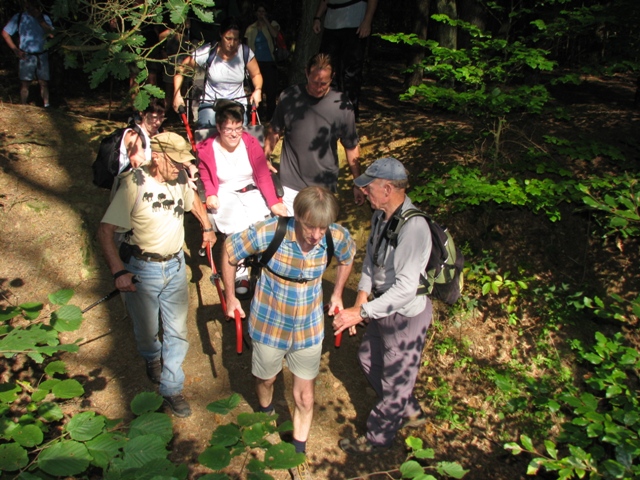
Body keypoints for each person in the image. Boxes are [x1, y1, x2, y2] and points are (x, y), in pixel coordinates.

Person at [224, 186, 356, 479]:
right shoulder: (269, 232)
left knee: (305, 396)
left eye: (322, 228)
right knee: (266, 378)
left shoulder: (335, 236)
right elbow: (229, 251)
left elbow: (348, 257)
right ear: (296, 216)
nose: (316, 235)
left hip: (308, 328)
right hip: (269, 323)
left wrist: (336, 294)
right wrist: (232, 297)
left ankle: (297, 451)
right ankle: (266, 410)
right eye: (310, 226)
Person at [97, 132, 216, 418]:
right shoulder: (132, 184)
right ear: (158, 156)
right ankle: (152, 357)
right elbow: (104, 232)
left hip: (175, 267)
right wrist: (119, 272)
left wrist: (207, 226)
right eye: (175, 162)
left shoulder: (179, 179)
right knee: (148, 331)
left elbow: (193, 201)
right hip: (142, 270)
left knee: (177, 331)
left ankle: (172, 387)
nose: (181, 168)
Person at [332, 157, 433, 454]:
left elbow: (404, 289)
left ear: (387, 189)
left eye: (369, 186)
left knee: (395, 378)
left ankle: (377, 437)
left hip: (405, 316)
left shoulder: (414, 229)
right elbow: (372, 261)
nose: (363, 191)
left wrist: (360, 312)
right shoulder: (381, 217)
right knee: (367, 357)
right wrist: (362, 296)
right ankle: (408, 410)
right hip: (382, 307)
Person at [196, 99, 287, 295]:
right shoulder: (207, 148)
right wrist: (210, 193)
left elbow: (263, 175)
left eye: (238, 128)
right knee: (236, 227)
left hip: (250, 190)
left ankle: (266, 266)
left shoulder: (250, 143)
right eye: (229, 129)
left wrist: (273, 202)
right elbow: (205, 174)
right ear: (219, 127)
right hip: (225, 192)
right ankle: (240, 270)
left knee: (262, 225)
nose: (235, 134)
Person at [264, 53, 365, 215]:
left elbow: (351, 145)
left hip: (324, 185)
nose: (318, 87)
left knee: (318, 235)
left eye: (323, 83)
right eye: (314, 82)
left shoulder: (341, 105)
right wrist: (265, 158)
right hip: (290, 184)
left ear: (332, 78)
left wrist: (357, 182)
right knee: (290, 234)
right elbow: (274, 131)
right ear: (306, 73)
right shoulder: (289, 97)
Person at [173, 16, 263, 128]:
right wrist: (177, 94)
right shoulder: (208, 51)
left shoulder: (245, 52)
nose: (232, 43)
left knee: (236, 134)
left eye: (235, 39)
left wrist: (258, 90)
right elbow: (181, 70)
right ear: (221, 35)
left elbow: (256, 75)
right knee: (206, 135)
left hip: (237, 105)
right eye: (228, 38)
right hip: (211, 104)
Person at [312, 0, 378, 121]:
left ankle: (350, 113)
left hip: (354, 24)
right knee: (329, 69)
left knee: (351, 71)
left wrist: (367, 21)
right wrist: (317, 17)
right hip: (331, 24)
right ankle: (331, 110)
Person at [2, 0, 54, 107]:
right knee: (25, 83)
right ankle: (23, 105)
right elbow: (5, 33)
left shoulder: (44, 17)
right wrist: (15, 50)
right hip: (26, 55)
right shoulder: (19, 17)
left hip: (42, 54)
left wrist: (40, 20)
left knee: (43, 82)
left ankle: (47, 105)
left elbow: (52, 35)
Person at [244, 3, 280, 120]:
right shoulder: (251, 29)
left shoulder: (272, 25)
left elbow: (275, 34)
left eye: (263, 12)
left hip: (269, 62)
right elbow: (247, 46)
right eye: (259, 12)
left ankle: (271, 118)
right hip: (256, 64)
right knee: (257, 90)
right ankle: (257, 116)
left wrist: (265, 21)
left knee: (270, 92)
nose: (261, 14)